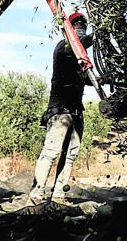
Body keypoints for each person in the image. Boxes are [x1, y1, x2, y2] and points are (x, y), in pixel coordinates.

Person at [28, 11, 93, 205]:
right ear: (69, 29)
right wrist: (96, 36)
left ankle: (58, 196)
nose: (81, 26)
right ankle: (36, 195)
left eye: (84, 24)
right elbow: (77, 44)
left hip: (75, 113)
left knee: (70, 156)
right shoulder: (63, 48)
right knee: (50, 153)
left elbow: (88, 78)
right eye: (77, 24)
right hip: (60, 113)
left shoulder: (80, 60)